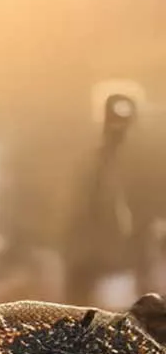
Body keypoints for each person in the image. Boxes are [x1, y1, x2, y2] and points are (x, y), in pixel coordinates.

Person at [66, 94, 151, 307]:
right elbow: (81, 213)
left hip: (129, 265)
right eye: (114, 122)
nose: (119, 129)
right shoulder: (90, 165)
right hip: (102, 266)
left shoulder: (143, 164)